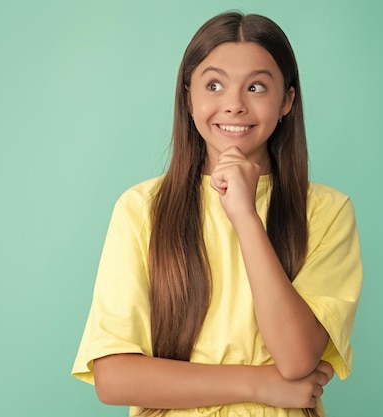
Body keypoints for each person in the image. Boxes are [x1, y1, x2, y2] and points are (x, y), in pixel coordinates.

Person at [71, 11, 363, 417]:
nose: (234, 105)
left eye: (257, 87)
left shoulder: (328, 212)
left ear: (287, 101)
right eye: (214, 85)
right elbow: (114, 377)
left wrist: (245, 215)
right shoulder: (141, 209)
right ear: (188, 97)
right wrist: (260, 384)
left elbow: (296, 359)